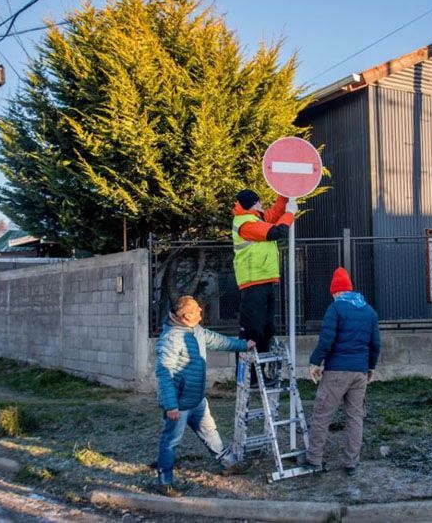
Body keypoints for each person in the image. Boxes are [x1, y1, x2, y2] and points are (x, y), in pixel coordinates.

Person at [155, 295, 255, 497]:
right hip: (180, 405)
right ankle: (164, 482)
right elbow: (163, 373)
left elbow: (217, 340)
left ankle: (229, 464)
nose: (201, 311)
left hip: (197, 399)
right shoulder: (171, 339)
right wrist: (171, 405)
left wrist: (243, 345)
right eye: (197, 309)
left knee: (210, 432)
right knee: (171, 441)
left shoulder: (196, 331)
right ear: (186, 315)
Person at [304, 267, 381, 476]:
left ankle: (314, 459)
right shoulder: (369, 311)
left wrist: (315, 362)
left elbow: (326, 339)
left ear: (336, 292)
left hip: (336, 372)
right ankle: (351, 463)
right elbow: (376, 343)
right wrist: (370, 367)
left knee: (322, 415)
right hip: (359, 373)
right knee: (355, 418)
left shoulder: (335, 309)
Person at [231, 189, 297, 371]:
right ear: (253, 204)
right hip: (253, 283)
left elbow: (275, 212)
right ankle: (249, 375)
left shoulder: (255, 218)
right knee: (254, 331)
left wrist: (285, 191)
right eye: (259, 202)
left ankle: (263, 373)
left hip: (264, 280)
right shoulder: (246, 224)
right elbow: (277, 231)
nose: (262, 205)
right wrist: (290, 214)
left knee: (267, 329)